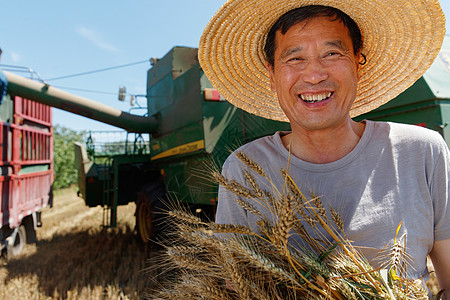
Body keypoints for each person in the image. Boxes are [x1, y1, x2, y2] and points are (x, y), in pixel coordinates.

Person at [198, 0, 449, 296]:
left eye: (332, 53)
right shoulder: (243, 168)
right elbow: (235, 288)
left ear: (357, 63)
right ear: (272, 73)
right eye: (295, 59)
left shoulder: (421, 152)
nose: (315, 75)